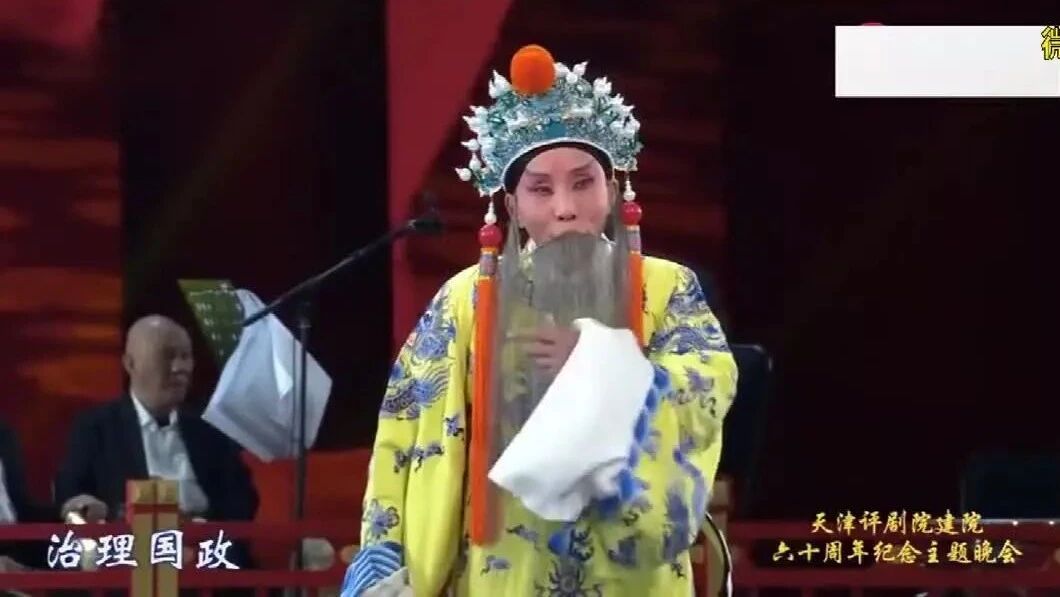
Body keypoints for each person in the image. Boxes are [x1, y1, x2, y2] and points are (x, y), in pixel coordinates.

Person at [342, 45, 738, 596]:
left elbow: (707, 393)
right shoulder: (465, 300)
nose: (564, 208)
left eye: (583, 183)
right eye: (541, 189)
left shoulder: (667, 288)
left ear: (613, 189)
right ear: (510, 206)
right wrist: (384, 558)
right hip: (501, 572)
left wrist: (603, 366)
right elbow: (404, 435)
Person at [55, 315, 258, 526]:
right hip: (130, 542)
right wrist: (94, 510)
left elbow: (243, 503)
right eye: (167, 356)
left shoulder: (209, 430)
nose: (180, 367)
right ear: (130, 364)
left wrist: (200, 527)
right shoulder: (97, 428)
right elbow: (70, 497)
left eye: (185, 356)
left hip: (204, 541)